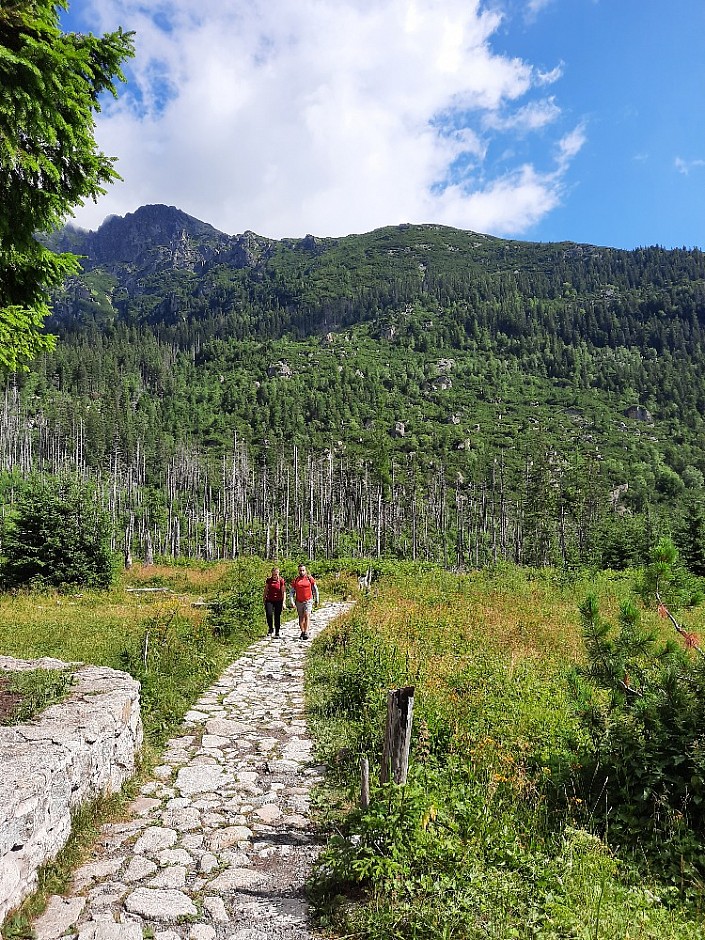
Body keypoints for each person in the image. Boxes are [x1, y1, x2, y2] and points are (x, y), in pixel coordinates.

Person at [289, 563, 319, 640]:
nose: (302, 572)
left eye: (303, 570)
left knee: (307, 615)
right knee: (301, 617)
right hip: (299, 601)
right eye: (300, 570)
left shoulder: (310, 579)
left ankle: (306, 631)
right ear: (298, 571)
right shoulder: (296, 580)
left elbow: (315, 589)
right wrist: (292, 601)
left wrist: (316, 599)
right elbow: (292, 591)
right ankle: (302, 631)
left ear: (305, 571)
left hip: (308, 600)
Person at [263, 566, 287, 637]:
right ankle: (270, 628)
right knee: (269, 614)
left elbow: (283, 592)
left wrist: (284, 602)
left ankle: (277, 631)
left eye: (276, 574)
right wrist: (264, 599)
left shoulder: (281, 581)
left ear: (278, 574)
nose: (275, 576)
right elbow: (266, 590)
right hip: (269, 600)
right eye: (273, 574)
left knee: (277, 616)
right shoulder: (269, 580)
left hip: (278, 600)